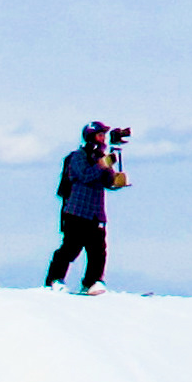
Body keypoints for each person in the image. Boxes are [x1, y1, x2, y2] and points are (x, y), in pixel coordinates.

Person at [46, 122, 130, 294]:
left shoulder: (100, 157)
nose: (103, 139)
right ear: (91, 136)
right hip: (77, 211)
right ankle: (55, 279)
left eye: (104, 135)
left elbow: (106, 181)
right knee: (70, 248)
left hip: (96, 213)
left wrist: (116, 180)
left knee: (98, 251)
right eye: (100, 135)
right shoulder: (78, 156)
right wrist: (102, 164)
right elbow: (84, 175)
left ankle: (92, 282)